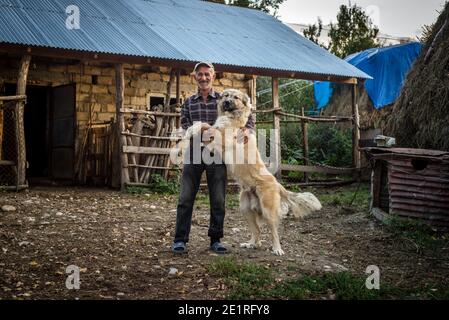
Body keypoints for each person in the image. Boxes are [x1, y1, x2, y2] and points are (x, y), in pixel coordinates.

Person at [172, 61, 254, 254]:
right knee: (185, 197)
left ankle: (215, 240)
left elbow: (248, 116)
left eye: (207, 74)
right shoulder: (189, 102)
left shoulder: (225, 98)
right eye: (199, 74)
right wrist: (201, 132)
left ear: (213, 76)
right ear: (195, 77)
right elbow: (184, 126)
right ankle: (180, 240)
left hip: (218, 153)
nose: (203, 77)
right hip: (194, 152)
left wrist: (246, 130)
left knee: (218, 199)